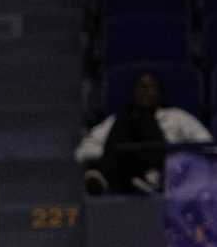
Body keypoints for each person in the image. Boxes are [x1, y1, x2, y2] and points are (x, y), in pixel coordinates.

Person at [75, 70, 209, 196]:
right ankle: (103, 178)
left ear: (159, 93)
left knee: (145, 118)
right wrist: (109, 154)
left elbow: (207, 143)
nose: (145, 91)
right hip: (125, 173)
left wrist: (178, 155)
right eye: (141, 87)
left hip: (167, 171)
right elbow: (83, 151)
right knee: (126, 120)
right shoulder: (118, 120)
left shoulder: (178, 117)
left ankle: (152, 177)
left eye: (150, 87)